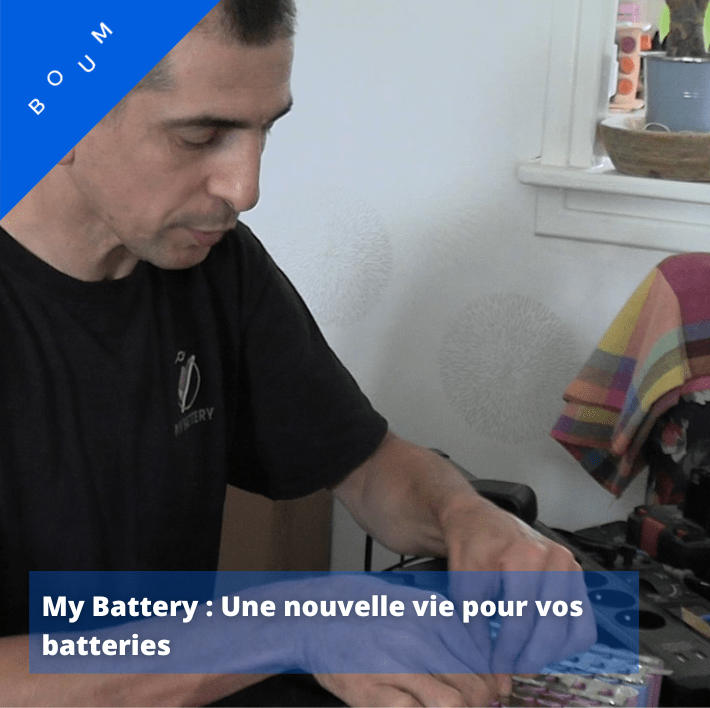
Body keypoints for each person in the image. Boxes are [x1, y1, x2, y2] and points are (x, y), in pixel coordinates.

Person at [0, 1, 593, 705]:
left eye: (266, 129)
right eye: (200, 136)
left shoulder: (213, 265)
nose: (245, 189)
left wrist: (467, 518)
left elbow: (367, 465)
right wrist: (293, 622)